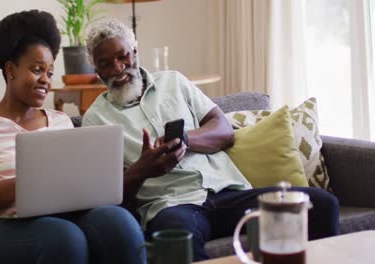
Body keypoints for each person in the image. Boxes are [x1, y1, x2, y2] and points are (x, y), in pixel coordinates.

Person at [82, 19, 339, 261]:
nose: (118, 68)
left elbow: (223, 130)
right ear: (96, 71)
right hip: (172, 206)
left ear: (135, 52)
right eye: (105, 63)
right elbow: (104, 193)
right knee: (177, 239)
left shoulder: (174, 82)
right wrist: (142, 170)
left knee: (321, 204)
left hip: (229, 191)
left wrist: (185, 138)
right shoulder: (96, 119)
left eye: (122, 56)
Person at [0, 11, 146, 264]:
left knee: (119, 222)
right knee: (65, 238)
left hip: (69, 215)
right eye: (37, 70)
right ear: (11, 70)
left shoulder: (61, 120)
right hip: (10, 227)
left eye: (49, 72)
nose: (45, 80)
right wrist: (37, 181)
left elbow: (77, 182)